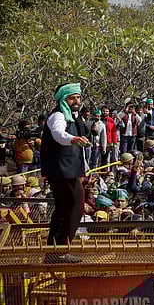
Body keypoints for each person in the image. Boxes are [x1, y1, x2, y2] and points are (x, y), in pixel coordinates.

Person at [40, 83, 91, 263]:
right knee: (74, 207)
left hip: (69, 169)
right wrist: (73, 139)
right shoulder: (58, 115)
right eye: (72, 98)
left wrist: (85, 167)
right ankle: (59, 250)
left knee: (65, 208)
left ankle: (54, 250)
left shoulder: (74, 117)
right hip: (62, 169)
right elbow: (58, 134)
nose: (76, 101)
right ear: (63, 99)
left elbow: (80, 149)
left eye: (78, 97)